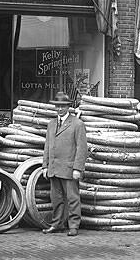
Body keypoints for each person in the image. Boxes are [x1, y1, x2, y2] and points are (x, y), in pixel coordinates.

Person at [42, 91, 88, 236]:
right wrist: (45, 166)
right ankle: (57, 224)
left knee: (72, 198)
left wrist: (77, 168)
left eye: (63, 106)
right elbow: (47, 146)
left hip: (69, 169)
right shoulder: (51, 124)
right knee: (56, 198)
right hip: (54, 168)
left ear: (68, 106)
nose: (59, 109)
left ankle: (73, 226)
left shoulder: (77, 124)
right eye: (57, 106)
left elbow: (82, 148)